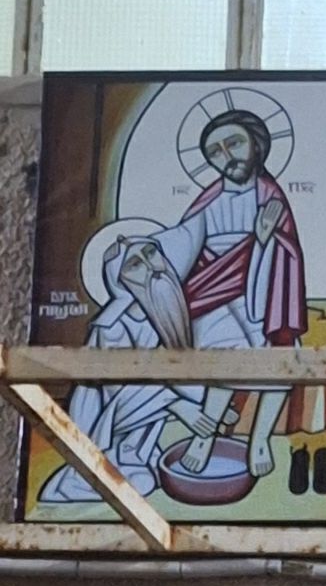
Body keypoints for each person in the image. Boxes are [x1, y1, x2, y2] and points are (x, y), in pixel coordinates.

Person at [158, 107, 307, 478]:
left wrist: (263, 241)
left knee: (282, 359)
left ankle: (260, 439)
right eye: (216, 152)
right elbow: (183, 250)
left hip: (263, 292)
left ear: (256, 144)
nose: (227, 156)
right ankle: (205, 436)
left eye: (234, 144)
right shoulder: (206, 203)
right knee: (224, 353)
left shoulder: (271, 198)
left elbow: (287, 254)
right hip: (211, 295)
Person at [39, 233, 216, 504]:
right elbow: (120, 396)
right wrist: (177, 405)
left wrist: (209, 401)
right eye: (134, 264)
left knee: (157, 474)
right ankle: (94, 472)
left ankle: (136, 456)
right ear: (120, 282)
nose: (151, 266)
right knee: (141, 483)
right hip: (103, 427)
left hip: (137, 427)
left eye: (151, 252)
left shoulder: (165, 309)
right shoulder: (111, 327)